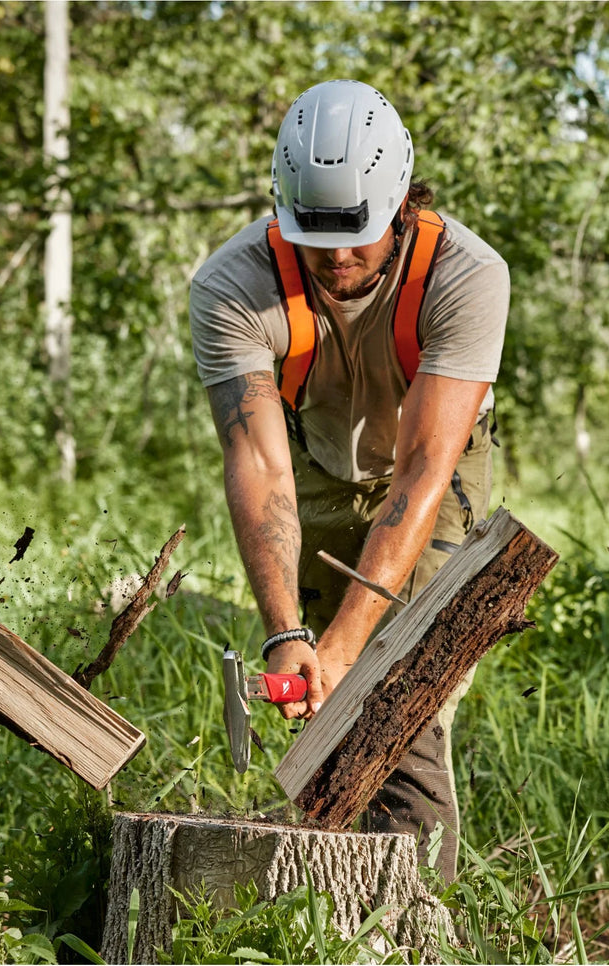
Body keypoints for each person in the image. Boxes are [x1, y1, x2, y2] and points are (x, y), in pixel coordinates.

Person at [188, 79, 509, 881]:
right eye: (317, 235)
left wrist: (346, 642)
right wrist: (288, 635)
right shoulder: (231, 285)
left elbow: (422, 469)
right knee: (321, 692)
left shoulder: (466, 275)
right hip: (315, 463)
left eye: (357, 234)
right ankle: (319, 893)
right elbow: (259, 464)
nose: (336, 257)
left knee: (400, 691)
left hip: (434, 471)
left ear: (400, 200)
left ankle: (414, 912)